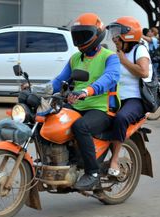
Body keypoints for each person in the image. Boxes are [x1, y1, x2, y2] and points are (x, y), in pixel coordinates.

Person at [50, 13, 120, 190]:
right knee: (50, 119)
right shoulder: (75, 58)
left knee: (81, 127)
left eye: (84, 35)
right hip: (77, 105)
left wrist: (87, 91)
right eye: (77, 35)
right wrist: (39, 90)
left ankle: (93, 173)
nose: (80, 39)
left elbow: (110, 78)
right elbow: (59, 81)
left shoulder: (109, 57)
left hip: (102, 109)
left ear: (97, 34)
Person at [106, 16, 150, 177]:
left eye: (117, 34)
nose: (114, 38)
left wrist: (124, 61)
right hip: (115, 98)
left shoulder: (139, 50)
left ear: (128, 35)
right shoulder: (117, 53)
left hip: (135, 99)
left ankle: (115, 160)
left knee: (120, 119)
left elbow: (144, 72)